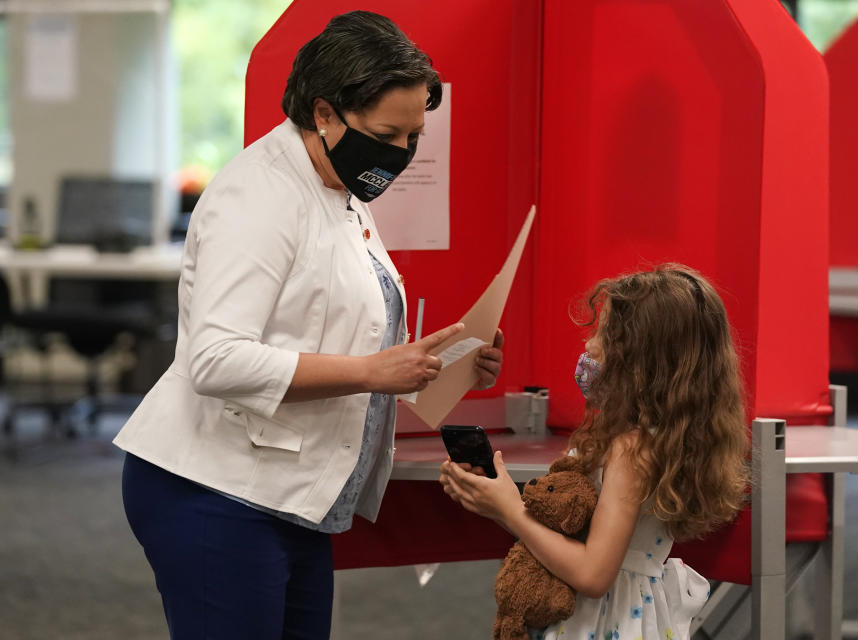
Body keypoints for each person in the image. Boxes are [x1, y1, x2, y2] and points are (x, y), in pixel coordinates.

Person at [114, 11, 504, 640]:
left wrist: (436, 368)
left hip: (290, 497)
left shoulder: (338, 191)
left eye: (414, 138)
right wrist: (372, 372)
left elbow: (332, 342)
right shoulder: (259, 194)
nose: (401, 155)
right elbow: (214, 360)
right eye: (387, 134)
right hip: (216, 491)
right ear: (324, 113)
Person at [440, 265, 747, 640]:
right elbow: (581, 537)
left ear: (639, 359)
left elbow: (593, 574)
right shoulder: (656, 437)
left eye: (603, 335)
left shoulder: (632, 448)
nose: (590, 347)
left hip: (605, 621)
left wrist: (509, 509)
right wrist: (496, 500)